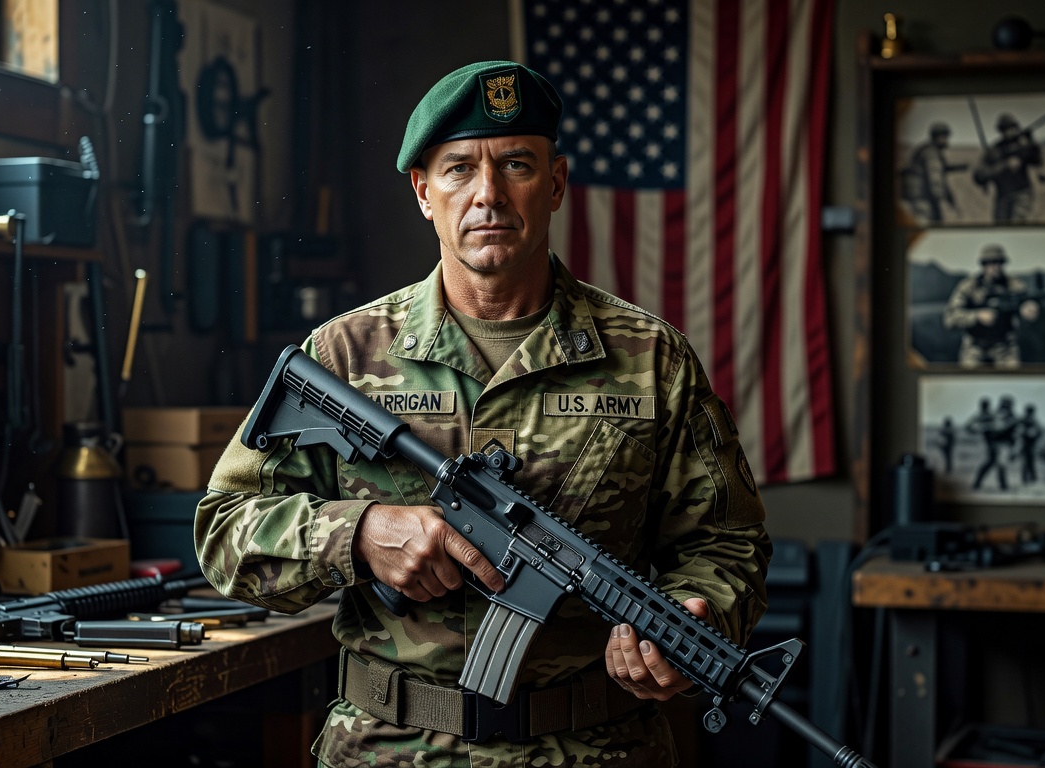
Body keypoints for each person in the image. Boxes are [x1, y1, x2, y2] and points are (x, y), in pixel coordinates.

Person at [194, 60, 771, 768]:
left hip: (598, 748)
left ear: (556, 182)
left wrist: (694, 613)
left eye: (517, 165)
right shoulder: (342, 355)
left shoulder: (651, 359)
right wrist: (360, 534)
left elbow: (728, 543)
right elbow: (225, 534)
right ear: (423, 193)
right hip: (388, 750)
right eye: (460, 169)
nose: (488, 195)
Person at [943, 244, 1040, 368]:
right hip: (974, 348)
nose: (995, 267)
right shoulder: (968, 287)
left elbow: (1027, 302)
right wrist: (977, 316)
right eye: (990, 263)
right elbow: (949, 319)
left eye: (999, 262)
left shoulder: (1014, 285)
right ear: (983, 265)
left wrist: (1028, 310)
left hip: (1005, 347)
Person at [972, 112, 1043, 222]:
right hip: (1002, 196)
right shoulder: (995, 150)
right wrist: (1004, 166)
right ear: (1001, 131)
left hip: (1022, 194)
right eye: (1005, 129)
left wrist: (1031, 143)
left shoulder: (1023, 146)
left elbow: (1036, 160)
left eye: (1012, 128)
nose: (1009, 132)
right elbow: (979, 175)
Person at [900, 122, 968, 224]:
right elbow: (935, 176)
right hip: (922, 198)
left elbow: (939, 169)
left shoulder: (927, 150)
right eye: (943, 137)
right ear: (937, 137)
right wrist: (942, 200)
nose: (945, 140)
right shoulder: (931, 153)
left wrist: (958, 168)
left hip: (920, 196)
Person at [1017, 404, 1042, 486]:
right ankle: (1027, 479)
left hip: (1031, 445)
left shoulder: (1033, 421)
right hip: (1025, 444)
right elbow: (1019, 432)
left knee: (1030, 462)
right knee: (1026, 462)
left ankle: (1032, 478)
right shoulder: (1024, 420)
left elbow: (1039, 432)